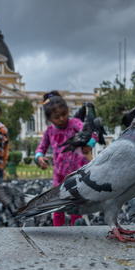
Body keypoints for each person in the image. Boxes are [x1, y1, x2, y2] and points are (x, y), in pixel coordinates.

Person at [35, 91, 97, 226]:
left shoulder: (75, 123)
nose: (62, 119)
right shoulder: (50, 131)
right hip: (59, 176)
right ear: (49, 118)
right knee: (57, 207)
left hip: (77, 175)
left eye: (64, 114)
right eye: (57, 117)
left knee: (76, 206)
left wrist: (89, 145)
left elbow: (93, 134)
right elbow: (41, 148)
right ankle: (57, 232)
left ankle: (77, 231)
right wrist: (39, 158)